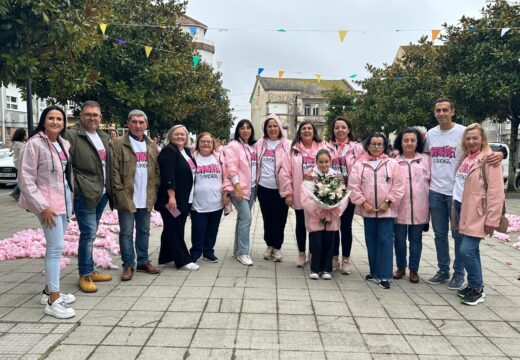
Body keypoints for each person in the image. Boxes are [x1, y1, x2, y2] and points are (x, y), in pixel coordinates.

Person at [425, 98, 503, 290]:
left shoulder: (462, 132)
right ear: (434, 113)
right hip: (435, 190)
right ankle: (443, 270)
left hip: (457, 194)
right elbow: (425, 155)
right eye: (438, 110)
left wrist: (501, 153)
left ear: (452, 111)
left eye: (445, 110)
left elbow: (482, 149)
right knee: (439, 234)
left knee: (459, 235)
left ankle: (459, 274)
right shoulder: (430, 134)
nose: (441, 113)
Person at [18, 106, 75, 319]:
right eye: (51, 118)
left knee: (57, 248)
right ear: (43, 121)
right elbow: (26, 180)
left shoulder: (63, 143)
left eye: (59, 119)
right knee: (55, 248)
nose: (56, 122)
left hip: (64, 202)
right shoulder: (33, 145)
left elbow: (65, 175)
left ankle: (47, 290)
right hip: (47, 205)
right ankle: (53, 299)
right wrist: (42, 207)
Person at [65, 100, 113, 293]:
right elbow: (66, 164)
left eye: (95, 115)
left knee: (91, 234)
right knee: (88, 234)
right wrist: (76, 185)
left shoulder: (103, 136)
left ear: (100, 117)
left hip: (101, 193)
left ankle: (90, 270)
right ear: (81, 116)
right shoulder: (72, 135)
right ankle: (84, 274)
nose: (92, 118)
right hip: (85, 193)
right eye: (88, 114)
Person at [454, 124, 504, 305]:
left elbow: (497, 193)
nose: (471, 141)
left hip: (479, 214)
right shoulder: (467, 159)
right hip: (464, 210)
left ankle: (477, 289)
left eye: (475, 138)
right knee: (472, 250)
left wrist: (492, 220)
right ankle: (474, 283)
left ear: (482, 139)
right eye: (468, 138)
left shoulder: (490, 160)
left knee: (466, 250)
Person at [348, 133, 405, 289]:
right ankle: (374, 272)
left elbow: (399, 186)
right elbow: (353, 185)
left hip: (386, 210)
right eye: (373, 144)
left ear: (384, 146)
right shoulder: (360, 164)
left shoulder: (392, 164)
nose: (376, 147)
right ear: (368, 145)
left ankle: (385, 275)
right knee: (371, 240)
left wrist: (388, 201)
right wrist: (363, 202)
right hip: (369, 210)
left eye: (380, 144)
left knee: (385, 242)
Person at [110, 110, 161, 281]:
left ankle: (143, 261)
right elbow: (114, 169)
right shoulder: (117, 143)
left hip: (145, 196)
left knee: (144, 231)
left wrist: (155, 191)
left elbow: (156, 170)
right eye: (134, 122)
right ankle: (128, 265)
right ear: (128, 123)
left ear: (146, 124)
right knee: (126, 232)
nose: (138, 125)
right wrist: (119, 191)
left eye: (141, 122)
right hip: (127, 196)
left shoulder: (152, 145)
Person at [280, 121, 325, 267]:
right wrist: (288, 192)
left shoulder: (322, 148)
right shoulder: (293, 151)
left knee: (315, 224)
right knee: (301, 224)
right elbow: (285, 173)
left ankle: (313, 252)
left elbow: (328, 167)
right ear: (299, 132)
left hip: (318, 194)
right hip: (300, 194)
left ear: (314, 131)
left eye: (309, 128)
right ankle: (301, 253)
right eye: (303, 129)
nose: (306, 131)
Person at [155, 125, 199, 271]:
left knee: (172, 227)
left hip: (185, 197)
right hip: (172, 199)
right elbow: (168, 175)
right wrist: (171, 196)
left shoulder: (185, 151)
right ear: (170, 136)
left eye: (183, 134)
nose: (180, 137)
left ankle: (166, 257)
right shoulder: (169, 151)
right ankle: (183, 260)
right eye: (176, 134)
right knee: (175, 228)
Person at [301, 149, 348, 280]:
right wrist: (320, 209)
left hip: (332, 217)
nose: (324, 164)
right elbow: (305, 197)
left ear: (330, 161)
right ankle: (315, 268)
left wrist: (334, 208)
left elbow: (343, 196)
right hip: (315, 217)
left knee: (329, 242)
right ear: (316, 162)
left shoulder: (336, 176)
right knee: (316, 243)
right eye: (320, 162)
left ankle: (327, 269)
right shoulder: (310, 176)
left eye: (326, 161)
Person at [326, 116, 364, 274]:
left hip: (349, 192)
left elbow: (362, 169)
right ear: (333, 130)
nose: (340, 130)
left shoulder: (357, 148)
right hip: (331, 192)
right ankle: (334, 257)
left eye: (343, 127)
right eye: (337, 127)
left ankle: (346, 259)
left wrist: (347, 179)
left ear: (349, 129)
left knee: (346, 227)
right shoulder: (327, 147)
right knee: (333, 225)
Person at [392, 128, 431, 284]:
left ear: (418, 142)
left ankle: (414, 269)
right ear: (400, 143)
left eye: (412, 140)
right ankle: (401, 267)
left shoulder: (426, 159)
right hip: (399, 207)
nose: (409, 143)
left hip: (420, 207)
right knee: (399, 239)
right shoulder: (393, 160)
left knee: (416, 240)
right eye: (405, 140)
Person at [255, 115, 291, 262]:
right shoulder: (260, 144)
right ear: (265, 128)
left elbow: (291, 167)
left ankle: (277, 247)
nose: (272, 129)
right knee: (267, 218)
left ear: (280, 128)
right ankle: (269, 245)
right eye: (269, 126)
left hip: (281, 188)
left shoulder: (288, 144)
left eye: (275, 126)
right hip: (264, 187)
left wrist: (290, 190)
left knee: (280, 219)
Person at [190, 132, 229, 263]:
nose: (206, 144)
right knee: (198, 229)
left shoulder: (219, 158)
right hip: (198, 202)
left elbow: (226, 177)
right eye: (203, 141)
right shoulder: (192, 157)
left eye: (209, 142)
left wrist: (226, 194)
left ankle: (208, 252)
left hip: (216, 201)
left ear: (213, 144)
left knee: (212, 229)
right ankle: (196, 252)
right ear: (198, 144)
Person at [224, 119, 257, 266]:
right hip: (239, 188)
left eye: (248, 128)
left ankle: (237, 250)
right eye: (242, 128)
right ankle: (244, 253)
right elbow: (232, 168)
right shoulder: (233, 146)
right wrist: (237, 188)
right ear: (238, 130)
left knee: (242, 219)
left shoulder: (251, 147)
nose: (245, 130)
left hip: (252, 188)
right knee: (247, 218)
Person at [9, 127, 27, 200]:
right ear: (22, 136)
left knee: (22, 179)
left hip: (18, 163)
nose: (26, 136)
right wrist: (28, 140)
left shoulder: (16, 143)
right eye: (25, 135)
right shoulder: (20, 144)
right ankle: (15, 192)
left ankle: (16, 193)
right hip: (21, 163)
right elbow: (28, 149)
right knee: (23, 179)